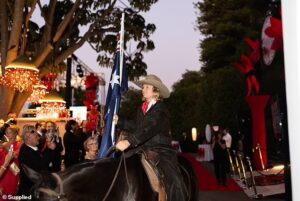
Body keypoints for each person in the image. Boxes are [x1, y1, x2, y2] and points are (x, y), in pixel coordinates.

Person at [115, 74, 187, 201]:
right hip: (142, 148)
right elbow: (137, 126)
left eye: (147, 87)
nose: (143, 89)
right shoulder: (141, 109)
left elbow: (149, 128)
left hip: (160, 150)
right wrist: (119, 121)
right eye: (143, 87)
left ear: (156, 92)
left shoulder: (161, 110)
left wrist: (129, 141)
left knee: (174, 181)